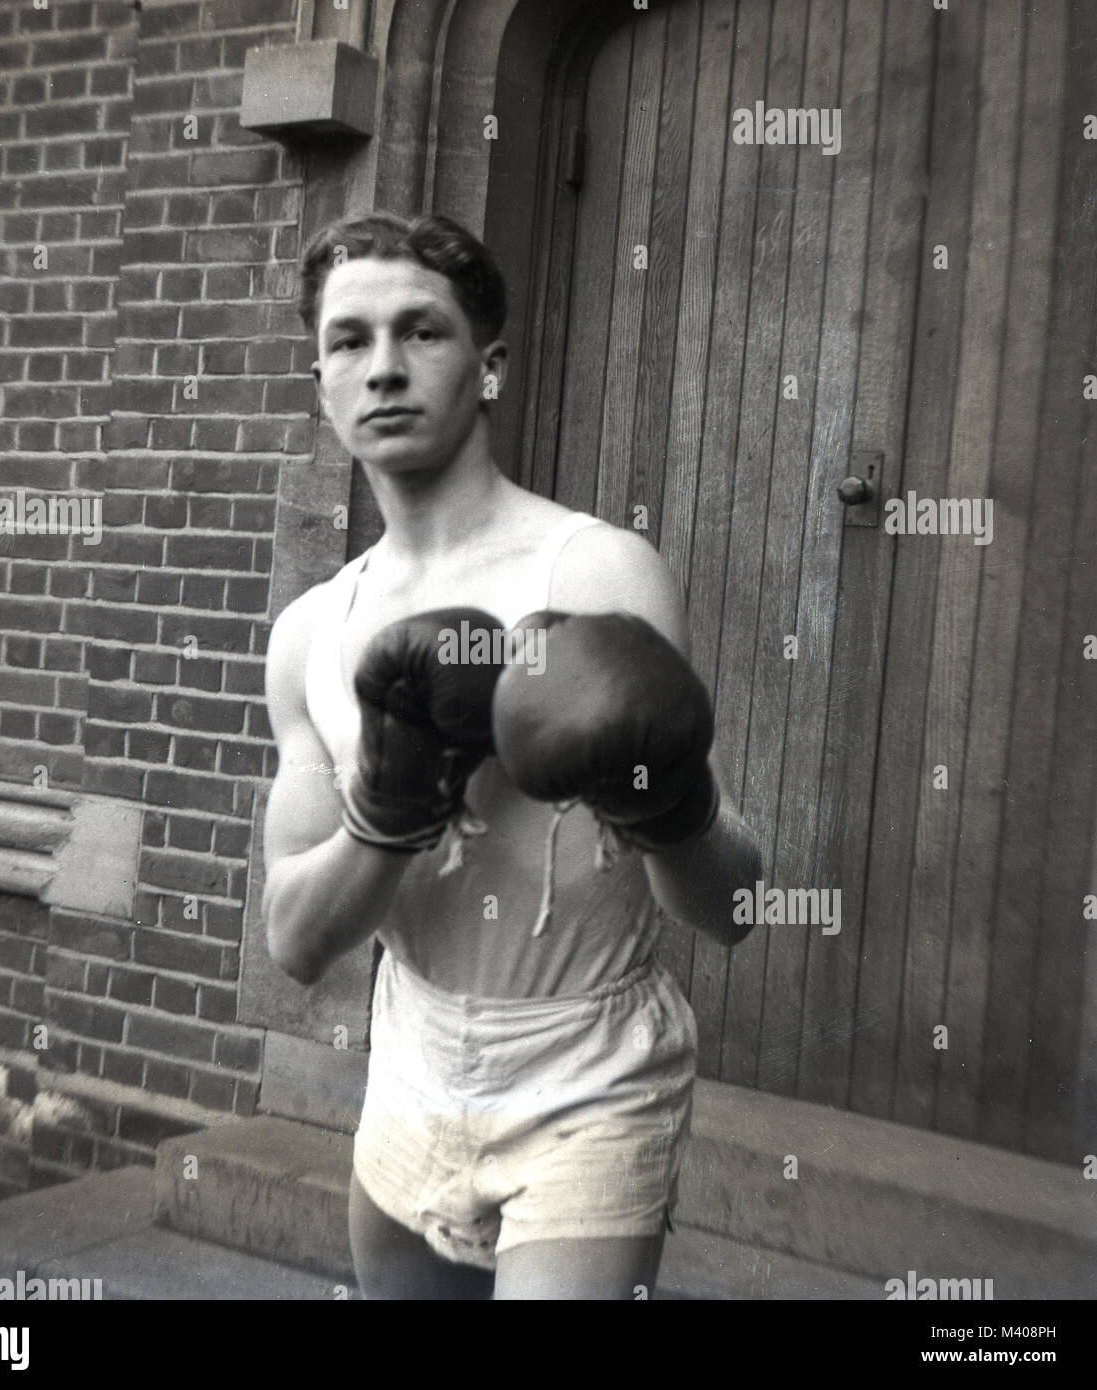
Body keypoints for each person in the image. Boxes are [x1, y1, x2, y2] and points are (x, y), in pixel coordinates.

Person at [261, 212, 761, 1300]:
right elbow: (296, 944)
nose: (383, 367)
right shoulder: (311, 631)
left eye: (421, 332)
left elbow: (728, 909)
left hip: (589, 1070)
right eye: (348, 342)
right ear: (320, 381)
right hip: (409, 1058)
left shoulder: (598, 572)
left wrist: (664, 798)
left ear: (487, 366)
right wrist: (387, 807)